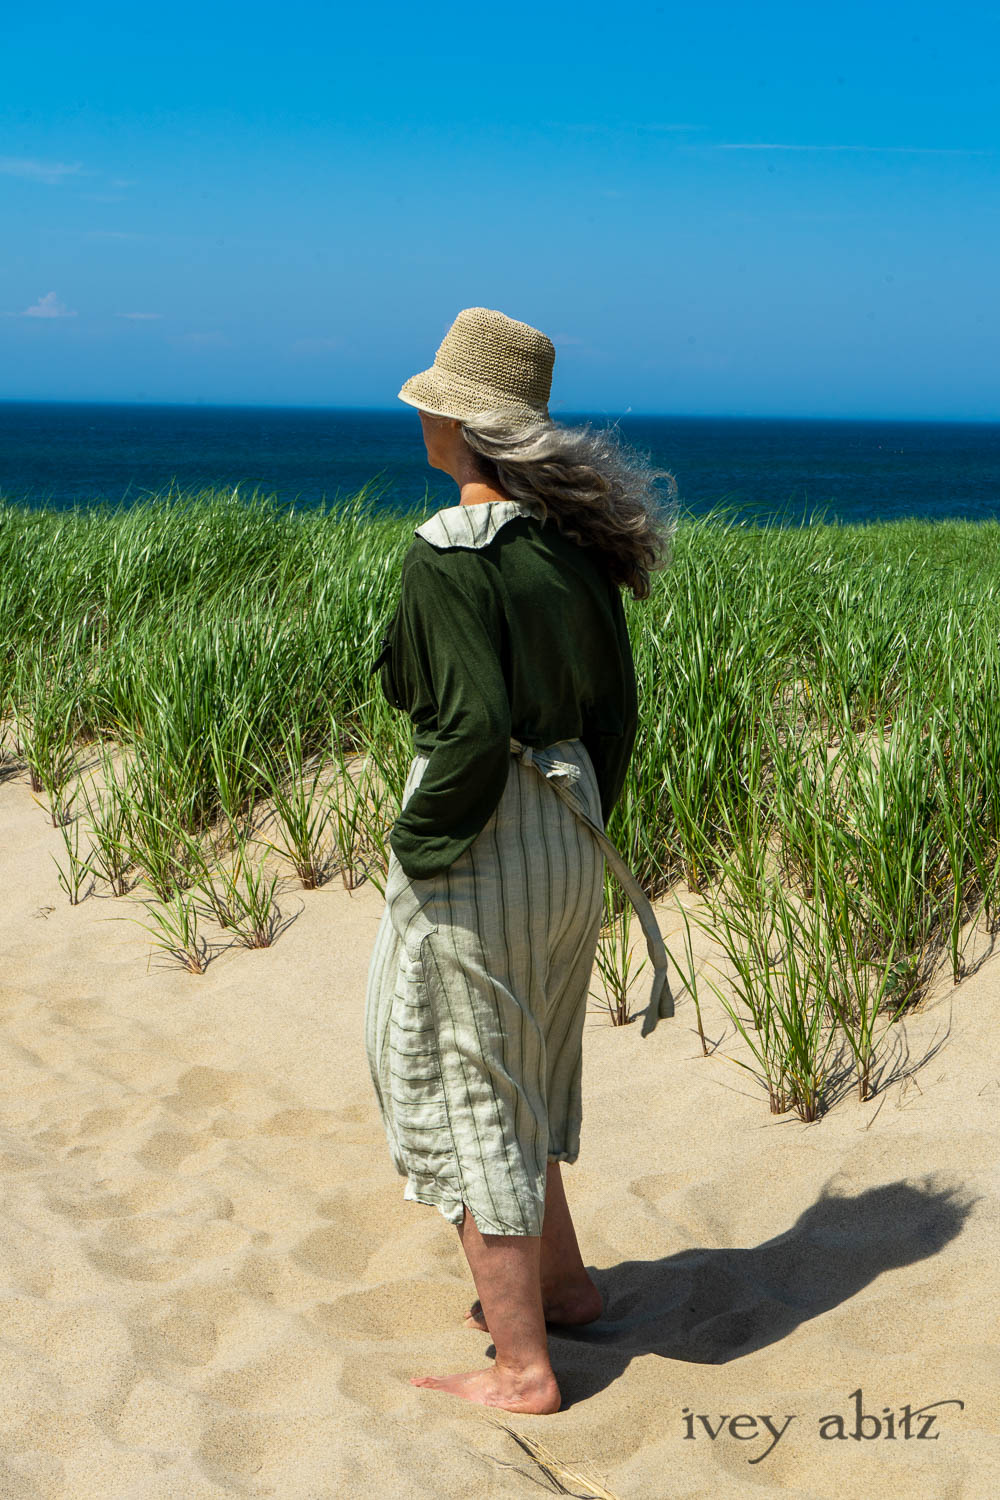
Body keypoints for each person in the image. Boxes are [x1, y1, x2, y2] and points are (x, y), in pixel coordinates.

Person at [364, 306, 677, 1413]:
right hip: (570, 828)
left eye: (431, 404)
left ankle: (524, 1367)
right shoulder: (577, 546)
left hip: (484, 832)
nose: (421, 418)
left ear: (458, 423)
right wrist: (583, 820)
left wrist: (417, 841)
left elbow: (468, 728)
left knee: (464, 1084)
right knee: (527, 1066)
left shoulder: (452, 550)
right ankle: (566, 1289)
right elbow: (615, 716)